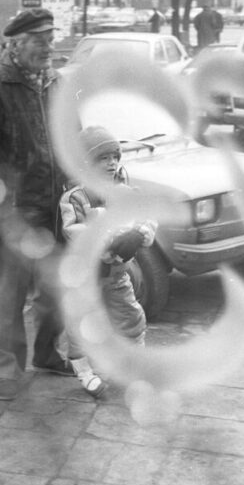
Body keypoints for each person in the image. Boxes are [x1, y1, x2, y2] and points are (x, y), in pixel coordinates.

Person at [0, 7, 72, 401]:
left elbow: (71, 139)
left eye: (51, 38)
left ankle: (47, 353)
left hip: (57, 210)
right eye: (40, 40)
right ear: (16, 43)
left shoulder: (56, 83)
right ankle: (8, 368)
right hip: (15, 216)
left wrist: (77, 192)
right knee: (9, 297)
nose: (49, 47)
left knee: (57, 290)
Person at [58, 126, 157, 398]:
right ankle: (85, 372)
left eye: (115, 156)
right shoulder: (75, 197)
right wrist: (106, 236)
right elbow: (71, 230)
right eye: (103, 158)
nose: (112, 163)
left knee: (129, 315)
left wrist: (143, 231)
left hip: (116, 272)